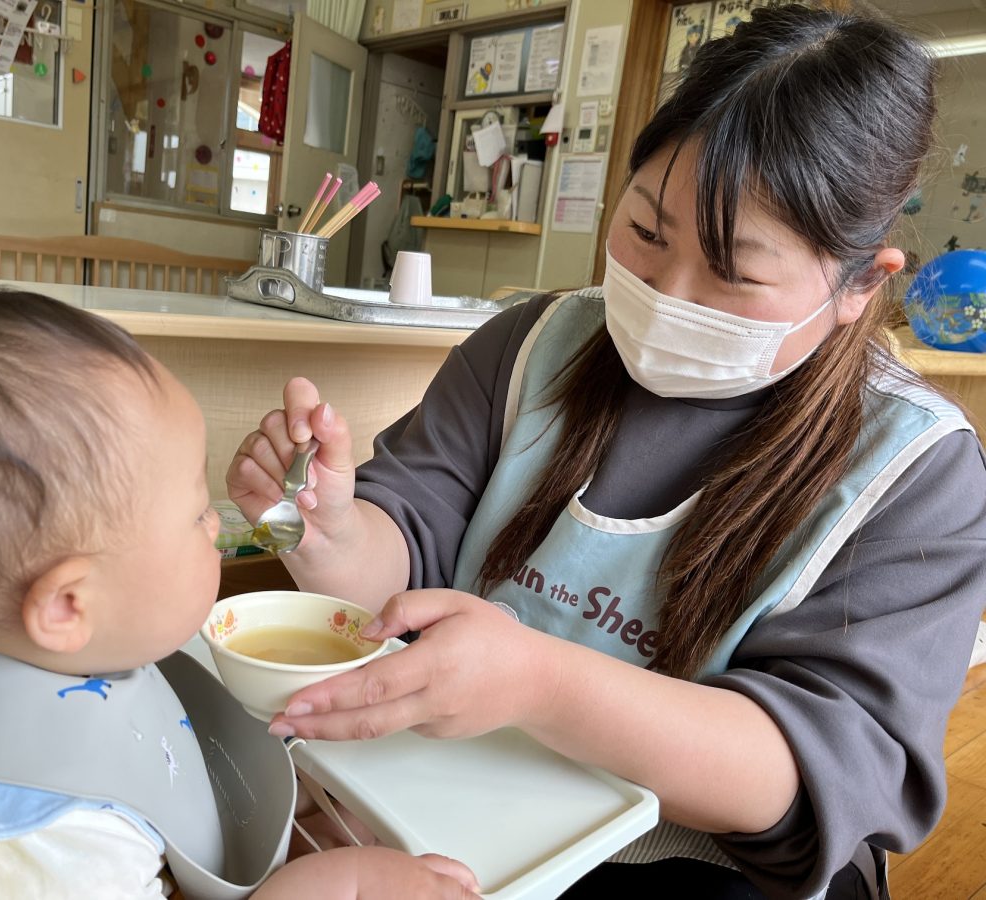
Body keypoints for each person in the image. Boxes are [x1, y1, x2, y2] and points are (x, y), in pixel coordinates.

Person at [227, 6, 986, 899]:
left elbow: (810, 771)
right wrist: (327, 529)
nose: (666, 294)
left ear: (862, 283)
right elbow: (403, 562)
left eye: (734, 273)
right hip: (459, 797)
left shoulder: (916, 471)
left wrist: (541, 684)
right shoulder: (530, 346)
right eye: (646, 233)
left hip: (694, 861)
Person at [0, 288, 478, 900]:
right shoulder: (58, 841)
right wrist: (349, 884)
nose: (217, 524)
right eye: (196, 514)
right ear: (68, 606)